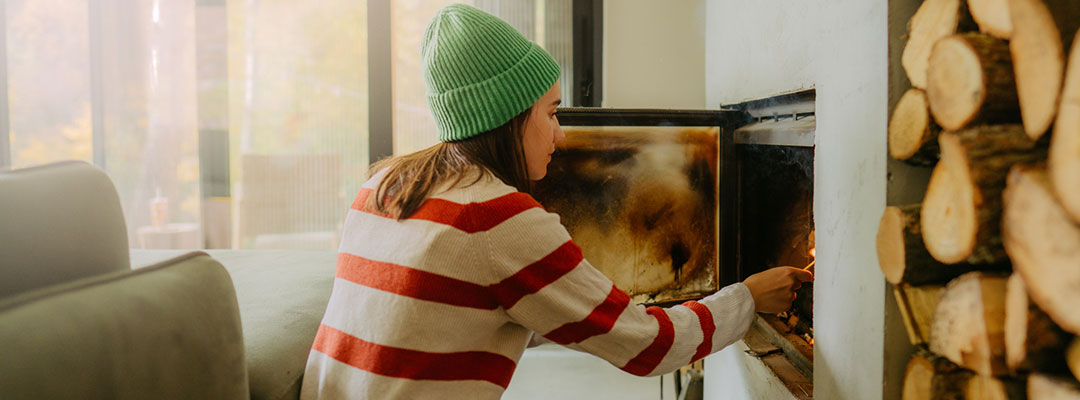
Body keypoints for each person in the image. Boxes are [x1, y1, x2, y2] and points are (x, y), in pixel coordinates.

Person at [300, 4, 813, 399]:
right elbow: (649, 348)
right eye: (551, 112)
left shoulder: (386, 182)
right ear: (509, 118)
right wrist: (747, 298)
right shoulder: (495, 217)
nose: (561, 135)